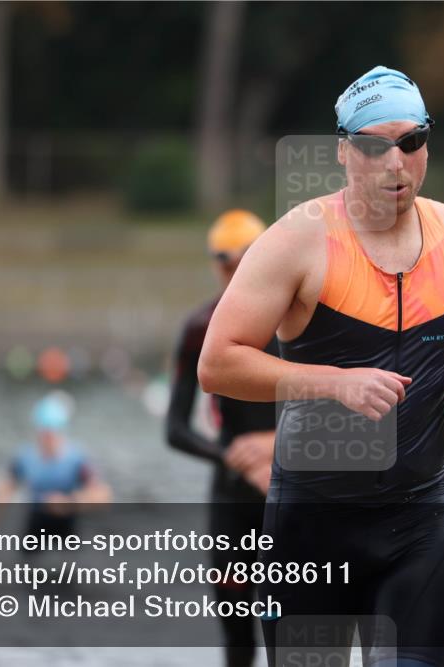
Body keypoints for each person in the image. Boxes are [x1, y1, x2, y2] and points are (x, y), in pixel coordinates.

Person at [199, 66, 444, 667]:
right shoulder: (296, 242)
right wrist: (334, 383)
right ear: (343, 151)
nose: (395, 163)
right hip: (311, 528)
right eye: (373, 146)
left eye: (411, 143)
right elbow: (218, 362)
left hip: (420, 522)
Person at [166, 209, 278, 667]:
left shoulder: (297, 320)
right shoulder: (200, 327)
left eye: (244, 260)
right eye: (225, 263)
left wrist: (274, 445)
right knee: (237, 642)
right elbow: (174, 428)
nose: (233, 272)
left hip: (290, 485)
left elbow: (336, 401)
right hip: (232, 495)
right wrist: (230, 455)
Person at [0, 391, 112, 540]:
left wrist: (68, 502)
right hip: (36, 521)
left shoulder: (76, 459)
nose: (48, 439)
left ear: (61, 431)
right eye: (44, 433)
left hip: (68, 521)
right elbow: (7, 485)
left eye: (52, 433)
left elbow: (103, 495)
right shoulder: (26, 457)